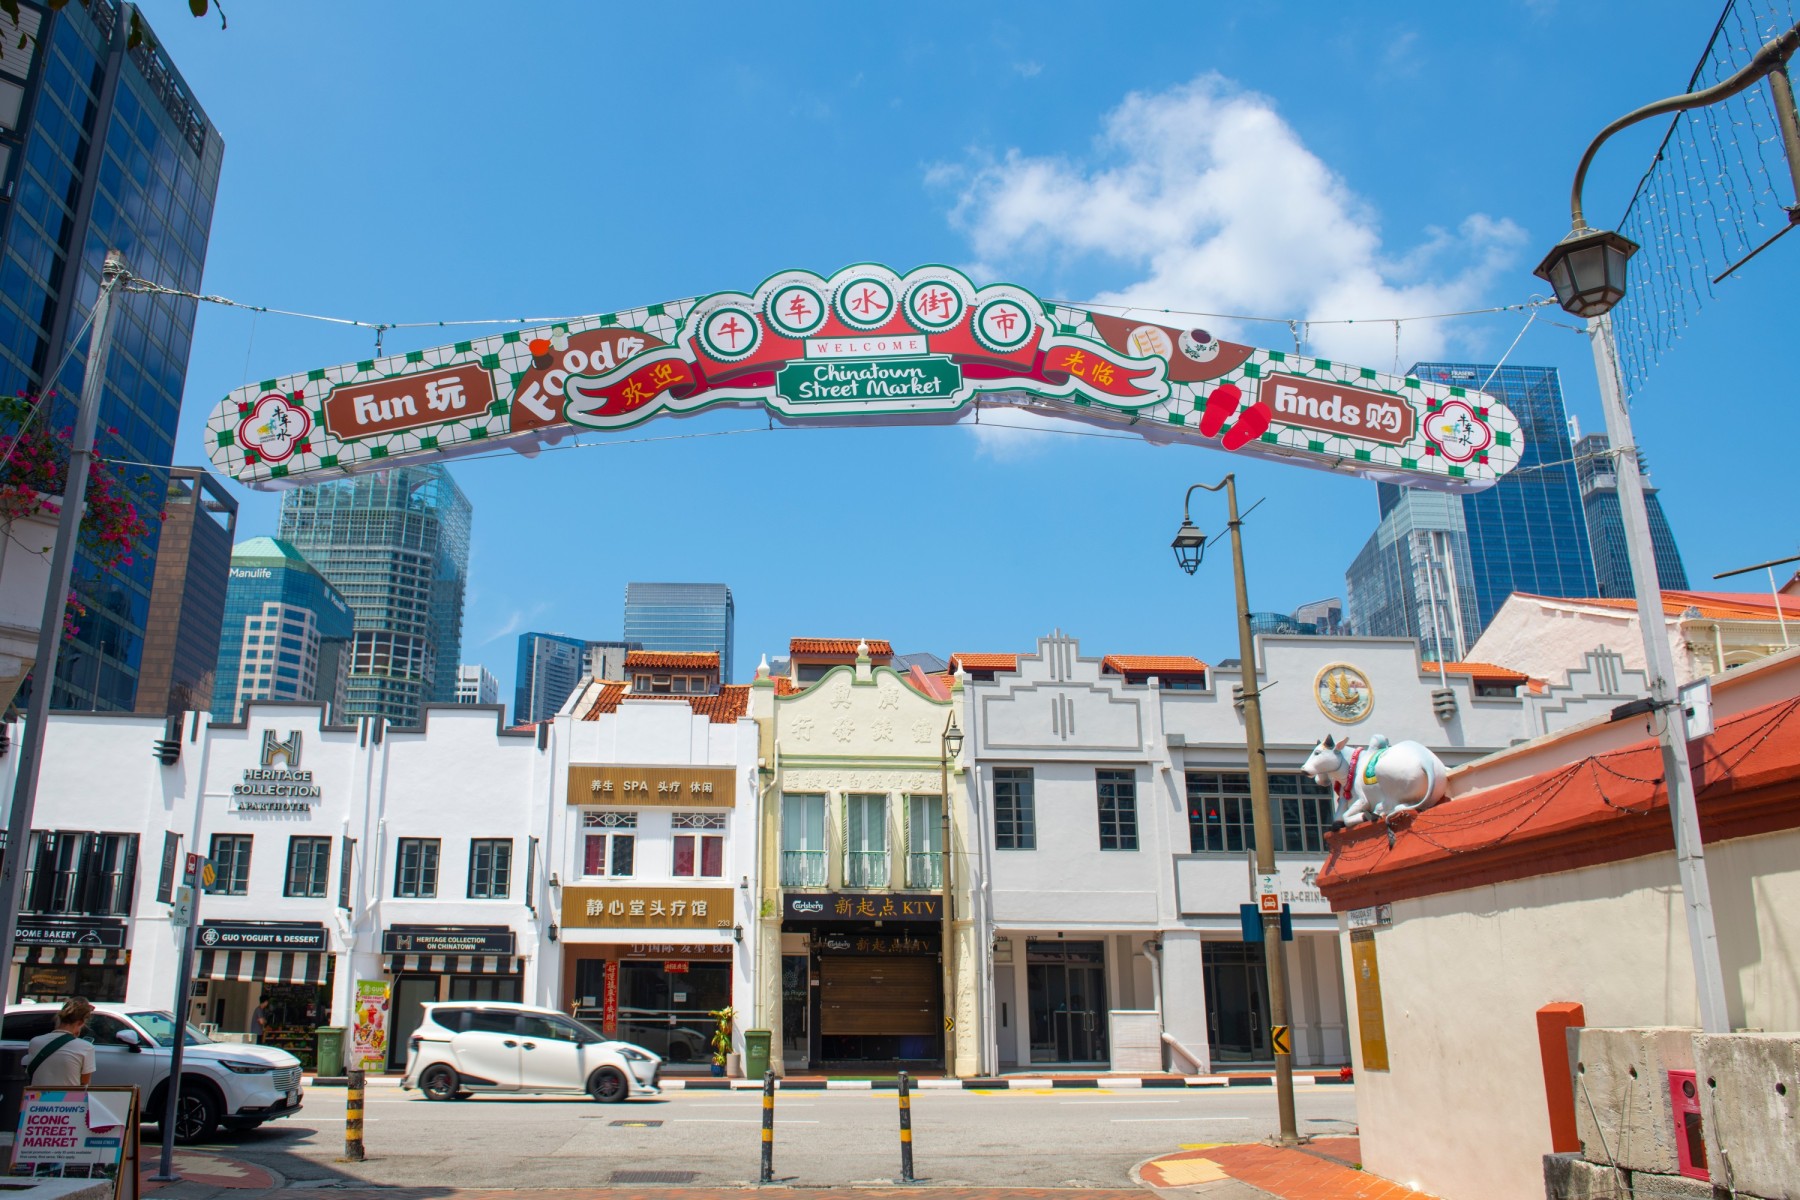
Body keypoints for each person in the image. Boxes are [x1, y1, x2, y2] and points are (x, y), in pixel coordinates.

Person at [26, 997, 96, 1087]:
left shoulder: (35, 1042)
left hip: (37, 1098)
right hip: (69, 1099)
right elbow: (84, 1083)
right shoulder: (86, 1047)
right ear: (80, 1022)